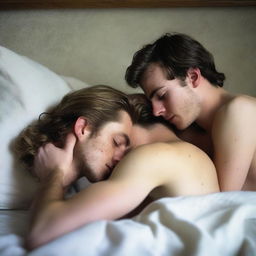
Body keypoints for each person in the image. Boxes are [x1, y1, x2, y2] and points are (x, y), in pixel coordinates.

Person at [25, 92, 219, 249]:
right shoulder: (179, 159)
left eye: (120, 141)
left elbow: (42, 233)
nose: (119, 156)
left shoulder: (155, 156)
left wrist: (55, 174)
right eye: (116, 143)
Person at [125, 33, 256, 192]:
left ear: (193, 77)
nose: (156, 110)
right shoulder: (189, 132)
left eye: (162, 96)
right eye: (151, 100)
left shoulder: (239, 111)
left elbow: (219, 199)